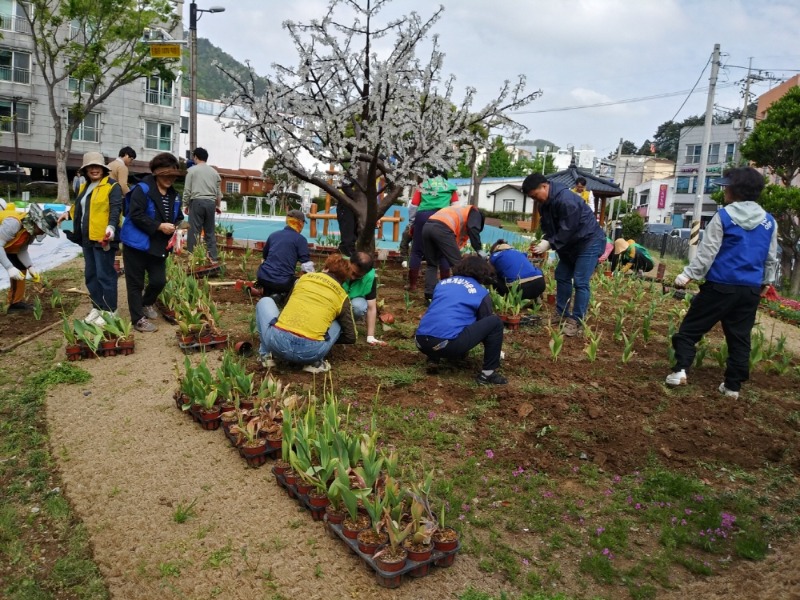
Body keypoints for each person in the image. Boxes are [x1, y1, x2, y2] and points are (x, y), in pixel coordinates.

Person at [665, 167, 778, 400]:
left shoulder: (724, 216)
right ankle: (732, 387)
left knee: (690, 330)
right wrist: (767, 282)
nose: (724, 190)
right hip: (749, 290)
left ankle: (680, 371)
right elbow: (771, 257)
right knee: (739, 338)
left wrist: (687, 275)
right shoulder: (769, 222)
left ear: (736, 190)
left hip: (720, 286)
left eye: (727, 186)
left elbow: (708, 253)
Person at [522, 173, 606, 337]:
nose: (535, 199)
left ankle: (577, 320)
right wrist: (545, 240)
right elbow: (550, 227)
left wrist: (550, 243)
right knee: (562, 275)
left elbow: (569, 228)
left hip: (589, 241)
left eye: (534, 195)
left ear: (544, 187)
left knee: (580, 281)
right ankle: (561, 313)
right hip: (570, 244)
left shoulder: (566, 200)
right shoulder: (544, 204)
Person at [256, 253, 357, 373]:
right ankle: (315, 363)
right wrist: (323, 337)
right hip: (310, 352)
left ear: (325, 268)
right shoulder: (342, 297)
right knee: (339, 320)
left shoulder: (303, 279)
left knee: (265, 301)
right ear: (343, 279)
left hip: (278, 344)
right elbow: (351, 336)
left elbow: (287, 304)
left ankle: (266, 355)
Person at [415, 255, 506, 385]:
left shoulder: (442, 284)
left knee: (441, 316)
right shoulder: (480, 291)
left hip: (421, 342)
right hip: (447, 345)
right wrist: (494, 351)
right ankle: (488, 374)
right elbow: (485, 324)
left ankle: (433, 358)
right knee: (495, 322)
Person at [120, 153, 184, 333]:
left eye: (173, 175)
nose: (170, 179)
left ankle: (146, 303)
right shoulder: (143, 189)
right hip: (136, 243)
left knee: (158, 281)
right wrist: (158, 226)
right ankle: (137, 319)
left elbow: (178, 217)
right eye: (166, 175)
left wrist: (178, 227)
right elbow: (136, 214)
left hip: (158, 244)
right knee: (135, 283)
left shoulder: (174, 195)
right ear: (156, 173)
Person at [68, 152, 123, 325]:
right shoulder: (84, 187)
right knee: (91, 275)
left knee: (105, 274)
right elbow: (78, 208)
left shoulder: (112, 186)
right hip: (86, 238)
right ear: (85, 170)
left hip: (103, 238)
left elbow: (115, 209)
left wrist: (111, 228)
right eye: (90, 167)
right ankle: (97, 307)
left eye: (97, 166)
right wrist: (65, 215)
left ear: (103, 169)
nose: (94, 169)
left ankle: (110, 311)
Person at [0, 202, 59, 311]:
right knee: (13, 267)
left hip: (4, 245)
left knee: (20, 267)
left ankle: (15, 303)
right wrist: (9, 267)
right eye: (43, 229)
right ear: (36, 223)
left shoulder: (30, 232)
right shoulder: (13, 224)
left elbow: (21, 250)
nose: (42, 232)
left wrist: (30, 267)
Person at [421, 204, 486, 303]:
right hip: (442, 229)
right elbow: (473, 228)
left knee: (432, 264)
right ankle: (459, 295)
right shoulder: (475, 212)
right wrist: (479, 250)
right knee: (458, 265)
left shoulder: (460, 209)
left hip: (427, 227)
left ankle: (429, 296)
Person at [406, 172, 459, 291]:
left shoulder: (423, 185)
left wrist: (412, 223)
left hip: (423, 217)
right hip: (443, 217)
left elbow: (414, 205)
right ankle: (444, 286)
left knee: (417, 251)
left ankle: (412, 285)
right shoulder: (450, 187)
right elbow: (456, 206)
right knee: (443, 252)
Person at [255, 209, 315, 303]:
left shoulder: (273, 235)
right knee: (300, 281)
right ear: (300, 222)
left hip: (263, 277)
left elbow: (265, 256)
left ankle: (268, 293)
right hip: (282, 282)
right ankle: (280, 297)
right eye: (303, 223)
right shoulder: (300, 239)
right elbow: (307, 267)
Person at [184, 147, 222, 263]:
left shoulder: (192, 171)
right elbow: (218, 193)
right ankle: (213, 258)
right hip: (210, 203)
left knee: (194, 232)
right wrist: (217, 206)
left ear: (195, 157)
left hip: (197, 202)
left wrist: (185, 204)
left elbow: (187, 190)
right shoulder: (214, 172)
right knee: (210, 232)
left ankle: (193, 258)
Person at [344, 252, 386, 346]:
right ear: (349, 262)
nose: (352, 277)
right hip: (334, 301)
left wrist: (370, 336)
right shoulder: (337, 265)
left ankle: (345, 326)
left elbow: (371, 308)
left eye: (358, 276)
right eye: (353, 272)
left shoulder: (369, 277)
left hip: (351, 302)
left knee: (359, 306)